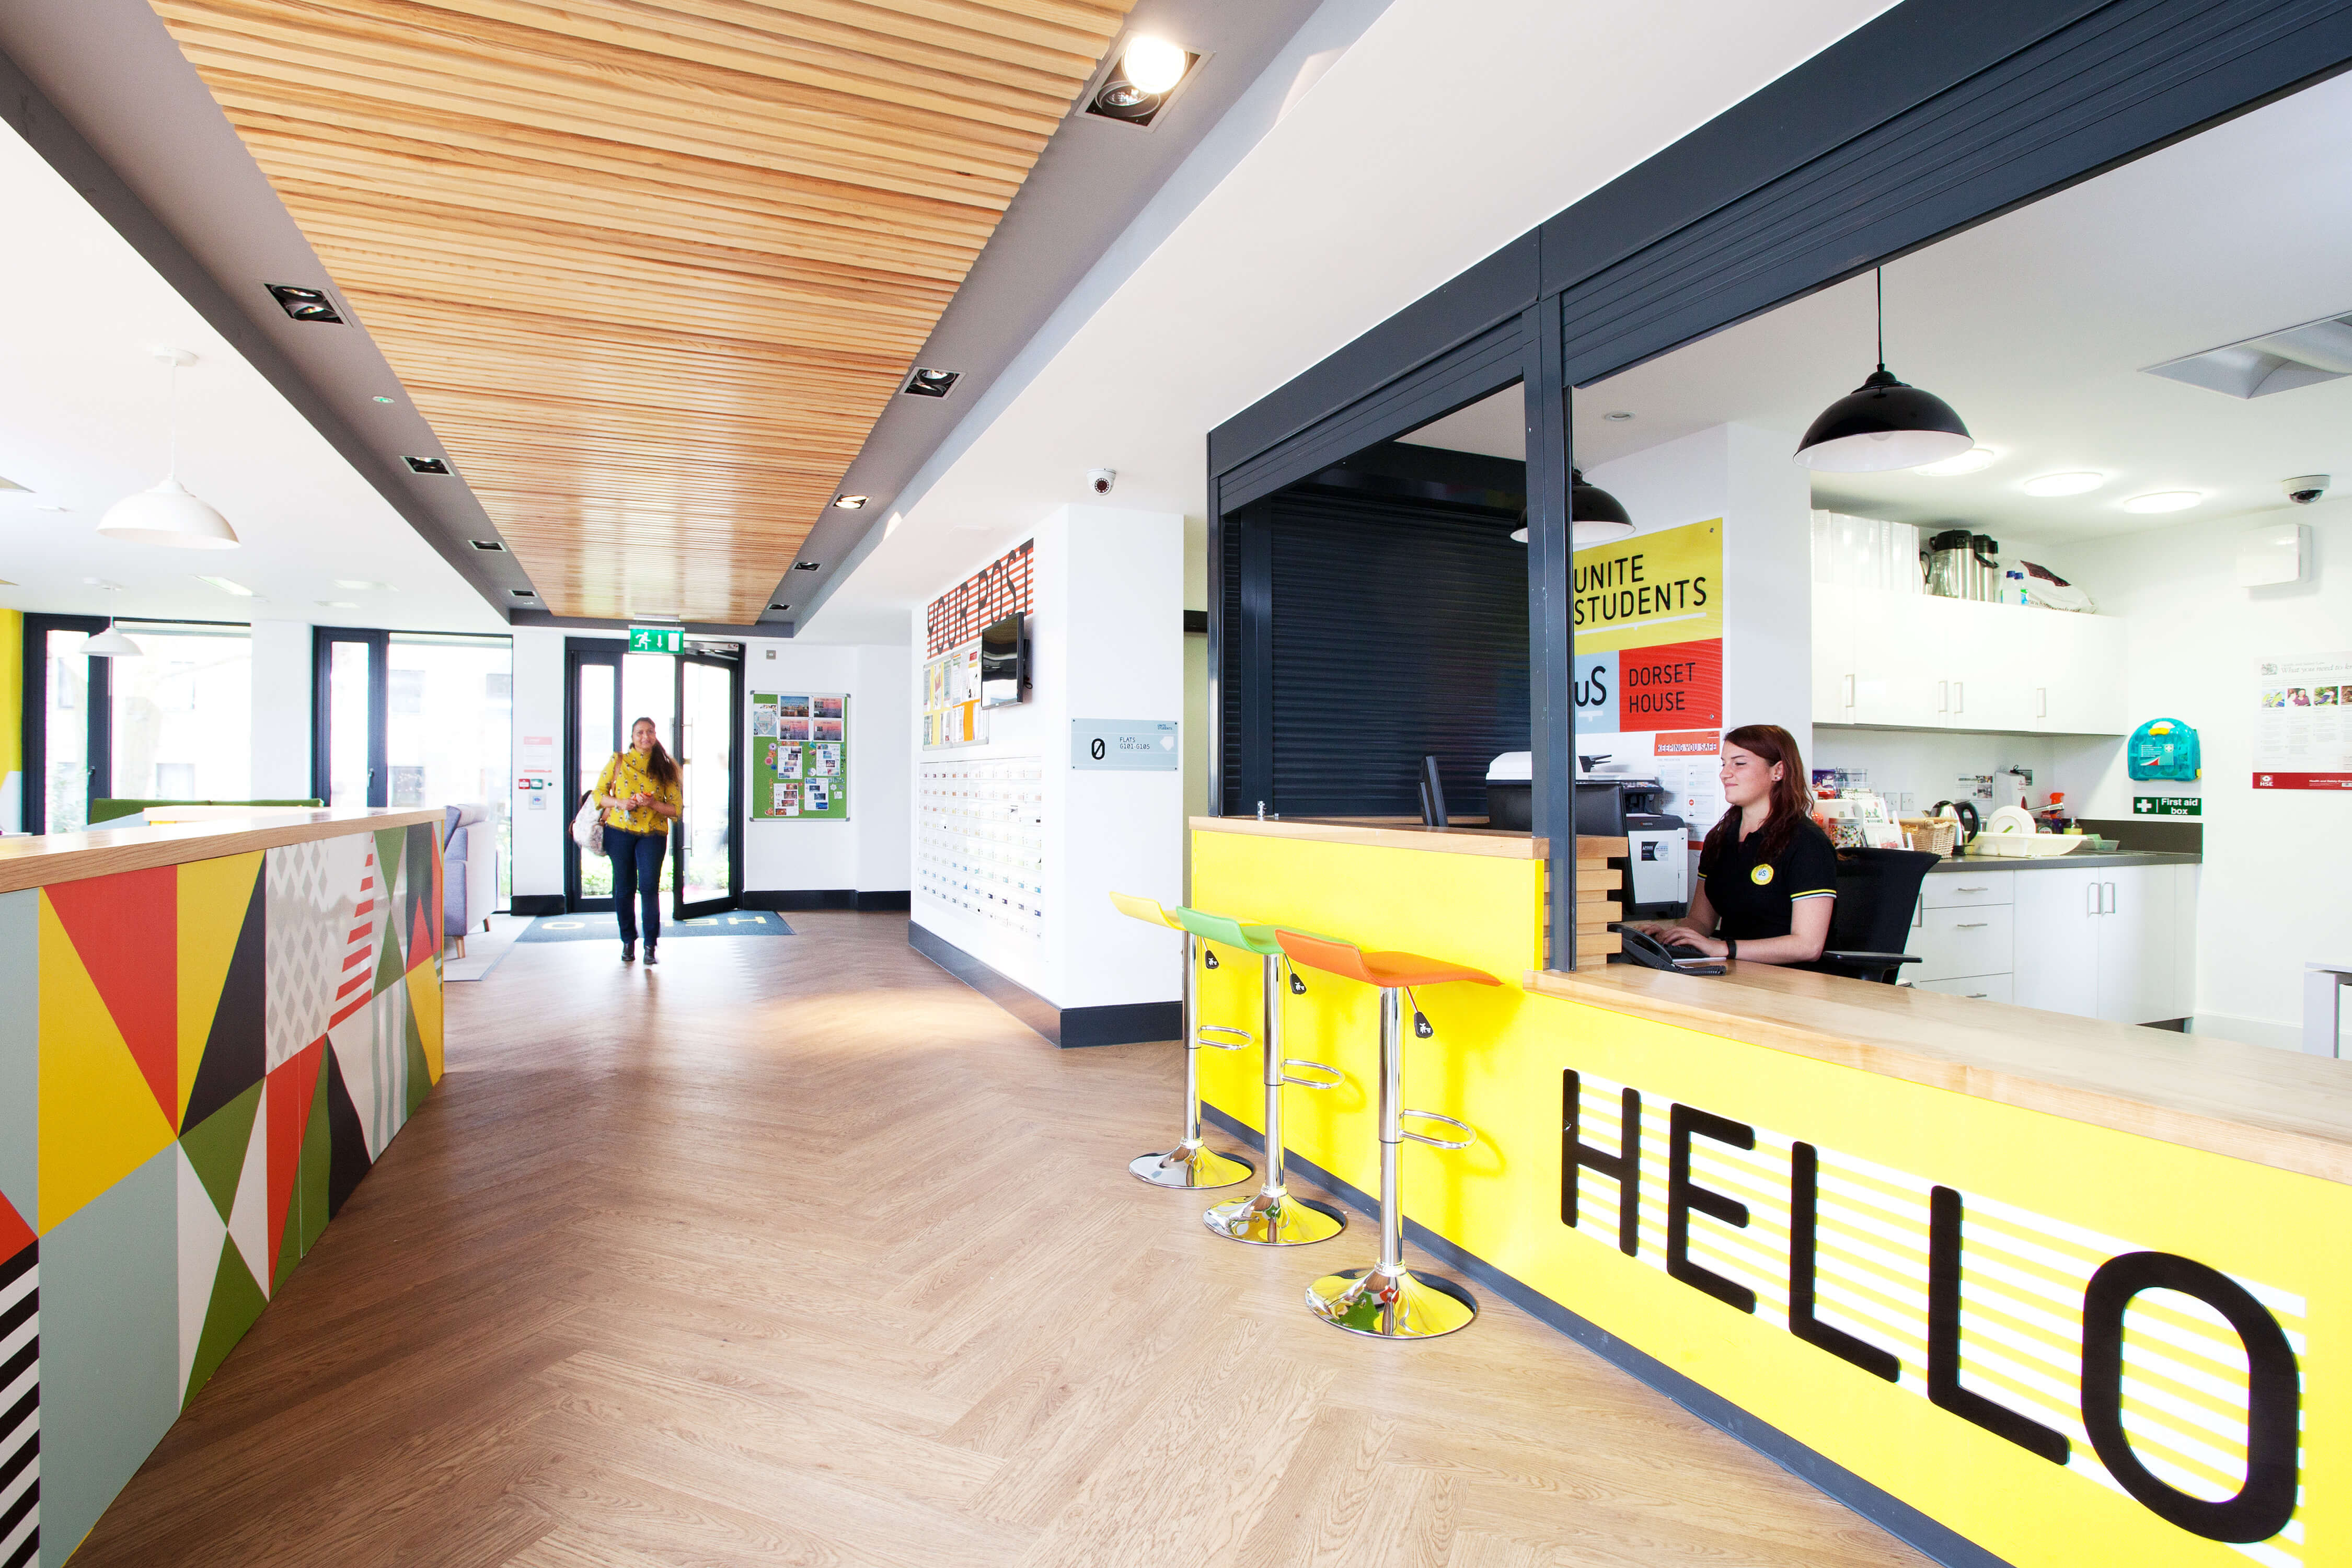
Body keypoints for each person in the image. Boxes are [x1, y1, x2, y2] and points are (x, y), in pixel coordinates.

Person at [1640, 723, 1835, 965]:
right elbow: (1701, 921)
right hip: (1733, 972)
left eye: (1739, 764)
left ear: (1778, 771)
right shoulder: (1720, 839)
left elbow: (1807, 946)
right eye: (1724, 764)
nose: (1725, 774)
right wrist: (1669, 935)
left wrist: (1723, 948)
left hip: (1789, 983)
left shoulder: (1807, 843)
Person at [593, 718, 683, 964]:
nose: (645, 737)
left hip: (652, 834)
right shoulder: (618, 761)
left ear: (656, 735)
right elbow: (598, 795)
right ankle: (628, 942)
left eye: (650, 732)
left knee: (649, 888)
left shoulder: (666, 767)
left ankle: (650, 945)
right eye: (640, 732)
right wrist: (620, 802)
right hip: (619, 832)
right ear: (632, 736)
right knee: (623, 889)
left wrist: (652, 803)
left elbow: (676, 809)